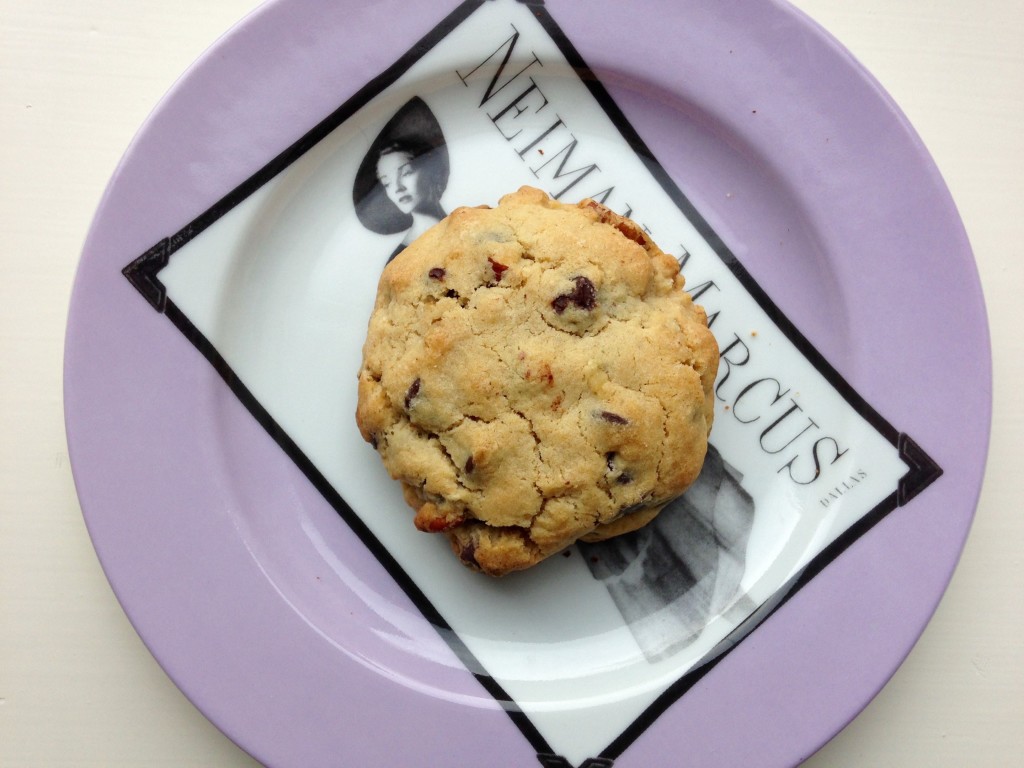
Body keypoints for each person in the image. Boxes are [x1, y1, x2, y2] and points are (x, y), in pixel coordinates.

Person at [353, 97, 450, 262]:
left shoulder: (473, 222)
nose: (397, 188)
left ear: (430, 170)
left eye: (406, 173)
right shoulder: (399, 262)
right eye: (387, 183)